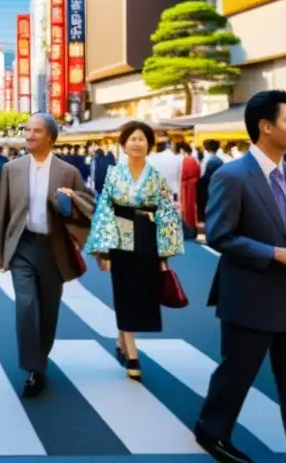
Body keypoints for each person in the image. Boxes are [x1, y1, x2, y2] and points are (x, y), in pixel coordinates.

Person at [195, 90, 286, 463]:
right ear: (265, 126)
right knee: (237, 374)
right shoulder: (231, 175)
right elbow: (219, 234)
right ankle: (212, 431)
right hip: (249, 294)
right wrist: (273, 254)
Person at [0, 112, 94, 397]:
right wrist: (0, 249)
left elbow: (87, 206)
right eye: (27, 130)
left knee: (49, 310)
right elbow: (4, 210)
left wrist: (70, 200)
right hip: (21, 246)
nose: (29, 135)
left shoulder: (68, 172)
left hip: (54, 248)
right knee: (26, 305)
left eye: (35, 131)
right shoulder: (11, 169)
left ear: (50, 136)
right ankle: (33, 368)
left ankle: (41, 358)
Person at [85, 121, 185, 380]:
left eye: (142, 139)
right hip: (121, 235)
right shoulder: (114, 175)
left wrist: (165, 254)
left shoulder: (156, 177)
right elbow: (105, 210)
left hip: (149, 241)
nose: (137, 143)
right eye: (132, 139)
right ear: (124, 145)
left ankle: (121, 339)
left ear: (149, 144)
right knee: (124, 292)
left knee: (142, 294)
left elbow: (166, 213)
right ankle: (131, 352)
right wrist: (104, 251)